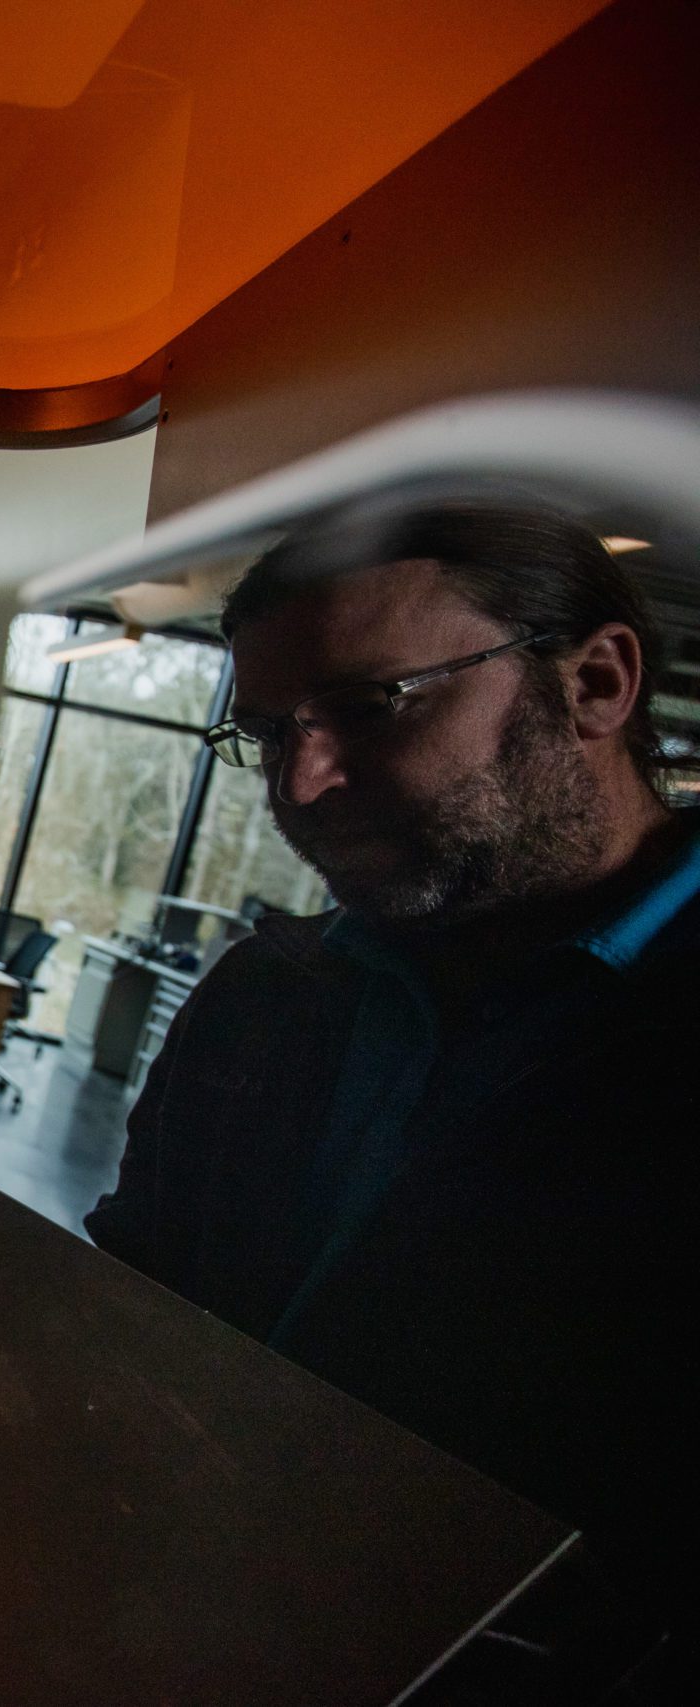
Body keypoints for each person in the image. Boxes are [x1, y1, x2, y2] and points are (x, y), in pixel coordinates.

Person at [86, 502, 694, 1680]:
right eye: (267, 734)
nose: (303, 787)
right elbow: (131, 1298)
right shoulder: (263, 997)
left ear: (595, 684)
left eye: (372, 706)